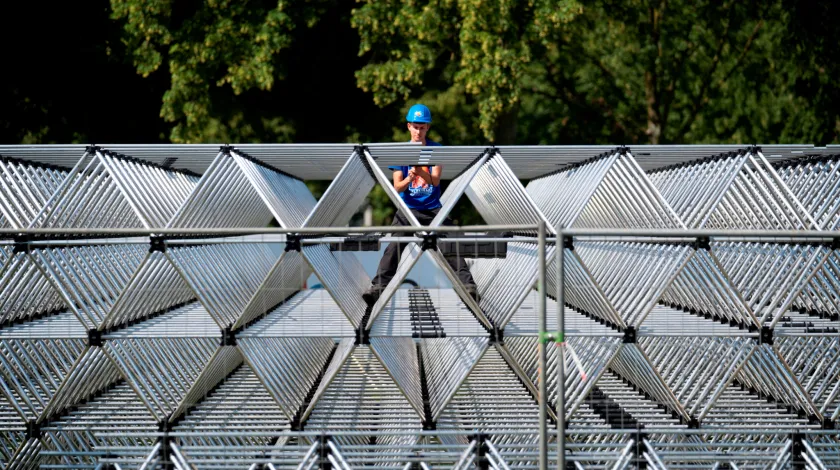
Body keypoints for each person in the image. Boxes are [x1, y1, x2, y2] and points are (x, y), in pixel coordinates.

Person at [362, 104, 478, 306]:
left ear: (428, 128)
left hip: (433, 210)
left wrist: (419, 170)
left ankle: (469, 289)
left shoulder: (436, 150)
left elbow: (434, 180)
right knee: (393, 248)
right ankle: (376, 290)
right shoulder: (400, 152)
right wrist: (411, 177)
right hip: (408, 210)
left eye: (422, 127)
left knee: (452, 246)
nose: (418, 131)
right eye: (415, 126)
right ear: (409, 126)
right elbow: (398, 186)